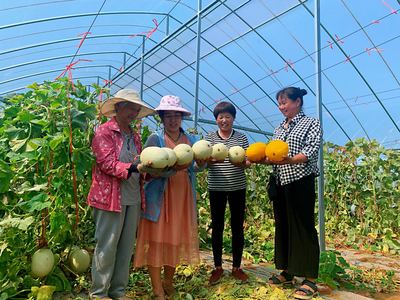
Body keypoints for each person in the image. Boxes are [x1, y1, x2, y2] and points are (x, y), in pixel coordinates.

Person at [87, 89, 155, 300]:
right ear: (117, 108)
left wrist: (149, 172)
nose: (133, 113)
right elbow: (106, 163)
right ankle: (99, 293)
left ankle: (118, 291)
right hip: (110, 198)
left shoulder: (134, 135)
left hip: (133, 197)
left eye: (136, 109)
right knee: (107, 245)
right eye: (130, 108)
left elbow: (139, 162)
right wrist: (136, 168)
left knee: (125, 248)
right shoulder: (104, 132)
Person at [134, 95, 203, 299]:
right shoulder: (155, 138)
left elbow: (195, 166)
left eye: (177, 115)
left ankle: (168, 282)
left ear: (181, 118)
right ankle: (157, 291)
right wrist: (162, 170)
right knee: (156, 242)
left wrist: (205, 163)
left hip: (182, 197)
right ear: (162, 118)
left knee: (174, 241)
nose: (173, 120)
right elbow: (144, 168)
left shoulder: (191, 141)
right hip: (160, 198)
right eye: (168, 116)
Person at [265, 87, 322, 300]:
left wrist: (291, 159)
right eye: (279, 104)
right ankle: (287, 271)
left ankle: (310, 278)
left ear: (297, 101)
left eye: (284, 102)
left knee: (303, 226)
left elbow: (311, 149)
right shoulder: (280, 127)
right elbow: (273, 152)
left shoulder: (311, 123)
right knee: (284, 226)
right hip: (280, 182)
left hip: (300, 181)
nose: (281, 107)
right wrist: (265, 158)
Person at [204, 101, 251, 285]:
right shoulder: (209, 138)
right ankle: (217, 267)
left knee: (237, 226)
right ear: (216, 119)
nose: (224, 120)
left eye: (227, 117)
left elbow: (247, 162)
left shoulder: (241, 138)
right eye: (220, 117)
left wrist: (243, 163)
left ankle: (237, 267)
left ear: (233, 118)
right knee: (217, 227)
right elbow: (203, 161)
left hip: (237, 187)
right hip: (216, 188)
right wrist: (211, 161)